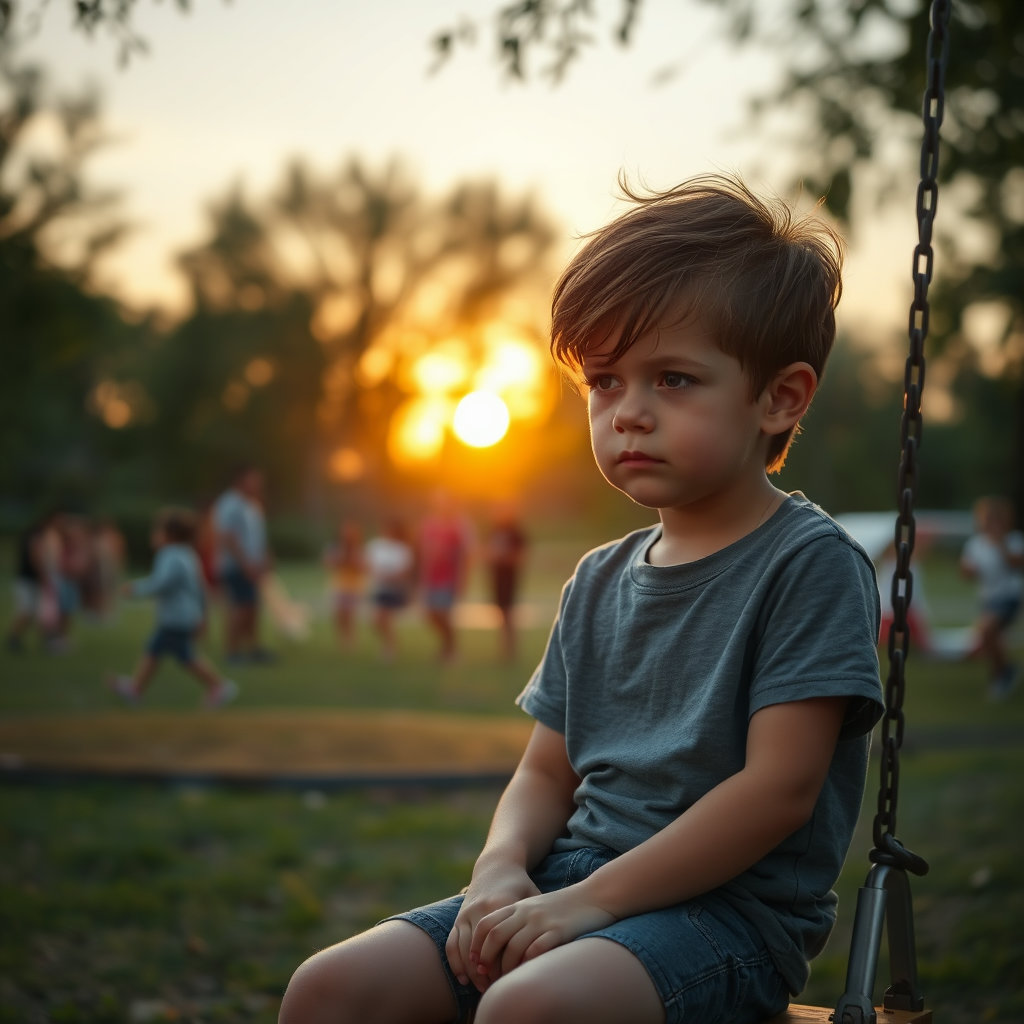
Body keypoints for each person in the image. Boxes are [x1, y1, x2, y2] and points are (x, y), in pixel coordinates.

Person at [279, 174, 884, 1024]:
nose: (628, 413)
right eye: (604, 382)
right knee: (331, 992)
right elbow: (544, 771)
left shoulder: (807, 565)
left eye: (672, 380)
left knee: (528, 1009)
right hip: (566, 886)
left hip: (723, 920)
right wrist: (500, 868)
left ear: (779, 398)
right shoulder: (599, 577)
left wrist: (589, 904)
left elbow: (777, 792)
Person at [109, 506, 237, 708]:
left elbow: (161, 583)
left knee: (182, 656)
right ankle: (136, 687)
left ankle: (219, 686)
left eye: (157, 530)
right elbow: (199, 587)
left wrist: (134, 589)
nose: (154, 535)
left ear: (170, 534)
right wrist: (202, 614)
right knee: (158, 650)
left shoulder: (170, 555)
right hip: (184, 616)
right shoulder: (187, 554)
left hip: (177, 617)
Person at [960, 495, 1023, 700]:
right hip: (988, 599)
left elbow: (1016, 563)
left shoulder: (1013, 540)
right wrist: (969, 570)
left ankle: (1004, 673)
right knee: (989, 638)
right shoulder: (976, 544)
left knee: (987, 630)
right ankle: (1002, 674)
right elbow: (966, 572)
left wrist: (1001, 544)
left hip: (1009, 597)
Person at [212, 465, 272, 663]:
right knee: (239, 607)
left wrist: (264, 558)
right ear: (240, 481)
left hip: (253, 565)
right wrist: (245, 563)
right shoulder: (230, 503)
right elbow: (227, 537)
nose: (257, 485)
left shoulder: (252, 505)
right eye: (252, 480)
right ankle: (233, 652)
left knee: (252, 606)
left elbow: (257, 537)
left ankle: (253, 648)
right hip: (236, 565)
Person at [417, 491, 473, 663]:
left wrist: (463, 580)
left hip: (448, 579)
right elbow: (423, 552)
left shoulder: (459, 525)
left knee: (444, 614)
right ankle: (447, 647)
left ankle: (451, 651)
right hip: (431, 578)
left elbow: (467, 554)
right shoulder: (429, 525)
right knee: (430, 615)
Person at [364, 519, 416, 661]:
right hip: (378, 588)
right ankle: (390, 644)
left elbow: (405, 571)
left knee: (382, 618)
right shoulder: (375, 545)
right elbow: (367, 564)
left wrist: (388, 576)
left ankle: (390, 647)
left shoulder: (402, 549)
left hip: (395, 590)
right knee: (377, 621)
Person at [485, 502, 528, 661]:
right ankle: (504, 649)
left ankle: (511, 650)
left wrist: (503, 556)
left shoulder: (516, 532)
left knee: (509, 614)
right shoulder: (494, 530)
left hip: (509, 579)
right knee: (501, 614)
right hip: (496, 578)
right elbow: (487, 552)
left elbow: (521, 555)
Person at [324, 520, 366, 648]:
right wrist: (341, 559)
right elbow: (327, 563)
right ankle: (342, 638)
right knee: (338, 614)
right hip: (338, 585)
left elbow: (363, 567)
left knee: (349, 614)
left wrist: (352, 562)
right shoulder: (335, 547)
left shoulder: (359, 548)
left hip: (354, 587)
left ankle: (350, 639)